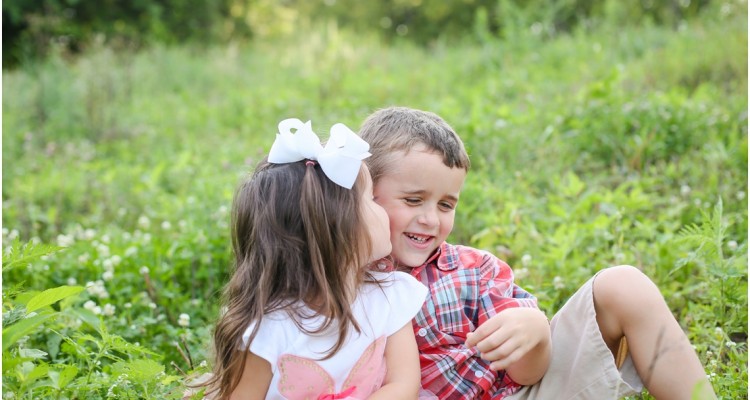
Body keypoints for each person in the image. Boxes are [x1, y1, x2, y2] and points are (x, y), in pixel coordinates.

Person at [358, 106, 717, 400]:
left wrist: (534, 334)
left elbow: (528, 375)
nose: (430, 219)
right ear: (362, 193)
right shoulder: (340, 278)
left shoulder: (474, 271)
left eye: (446, 205)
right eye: (413, 200)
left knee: (624, 286)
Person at [201, 118, 428, 400]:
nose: (383, 209)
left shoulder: (389, 296)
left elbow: (404, 383)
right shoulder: (269, 328)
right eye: (371, 199)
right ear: (339, 229)